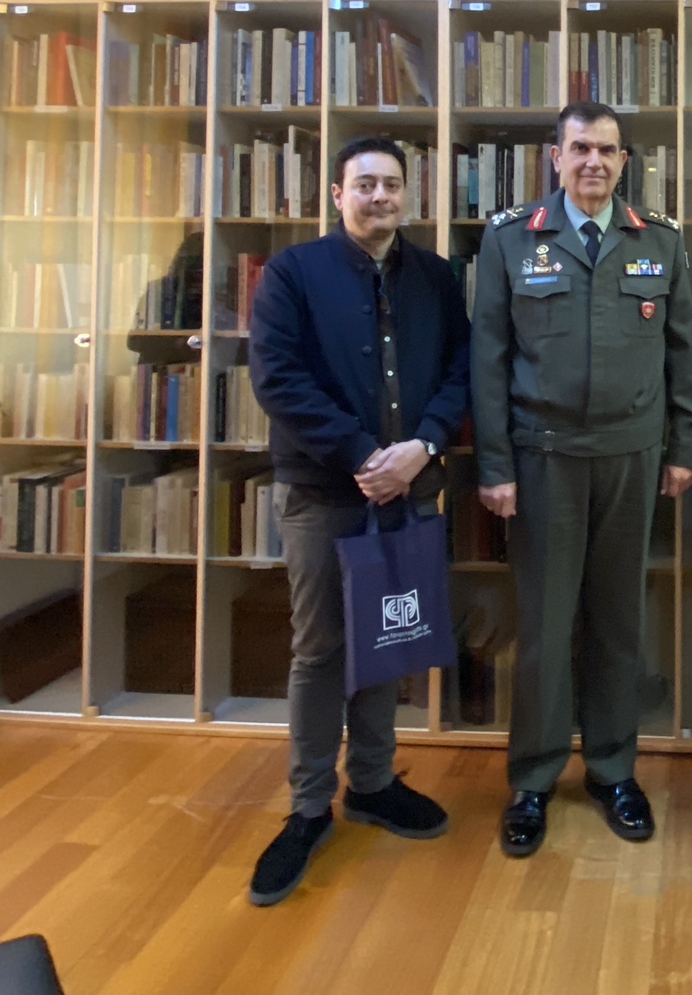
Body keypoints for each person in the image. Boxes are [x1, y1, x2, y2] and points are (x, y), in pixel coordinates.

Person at [471, 101, 692, 857]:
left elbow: (684, 353)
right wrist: (495, 465)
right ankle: (533, 780)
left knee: (618, 622)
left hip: (632, 455)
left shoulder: (659, 239)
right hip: (543, 459)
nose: (593, 162)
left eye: (607, 150)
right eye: (580, 148)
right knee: (544, 627)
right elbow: (488, 360)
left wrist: (685, 447)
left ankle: (612, 770)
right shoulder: (511, 238)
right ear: (556, 157)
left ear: (624, 161)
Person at [245, 135, 472, 906]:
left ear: (407, 194)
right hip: (323, 493)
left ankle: (372, 784)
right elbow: (277, 378)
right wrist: (362, 456)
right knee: (320, 650)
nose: (380, 196)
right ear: (337, 195)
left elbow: (460, 371)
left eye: (392, 184)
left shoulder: (435, 277)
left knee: (387, 641)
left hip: (410, 489)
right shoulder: (292, 273)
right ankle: (309, 806)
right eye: (365, 184)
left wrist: (423, 446)